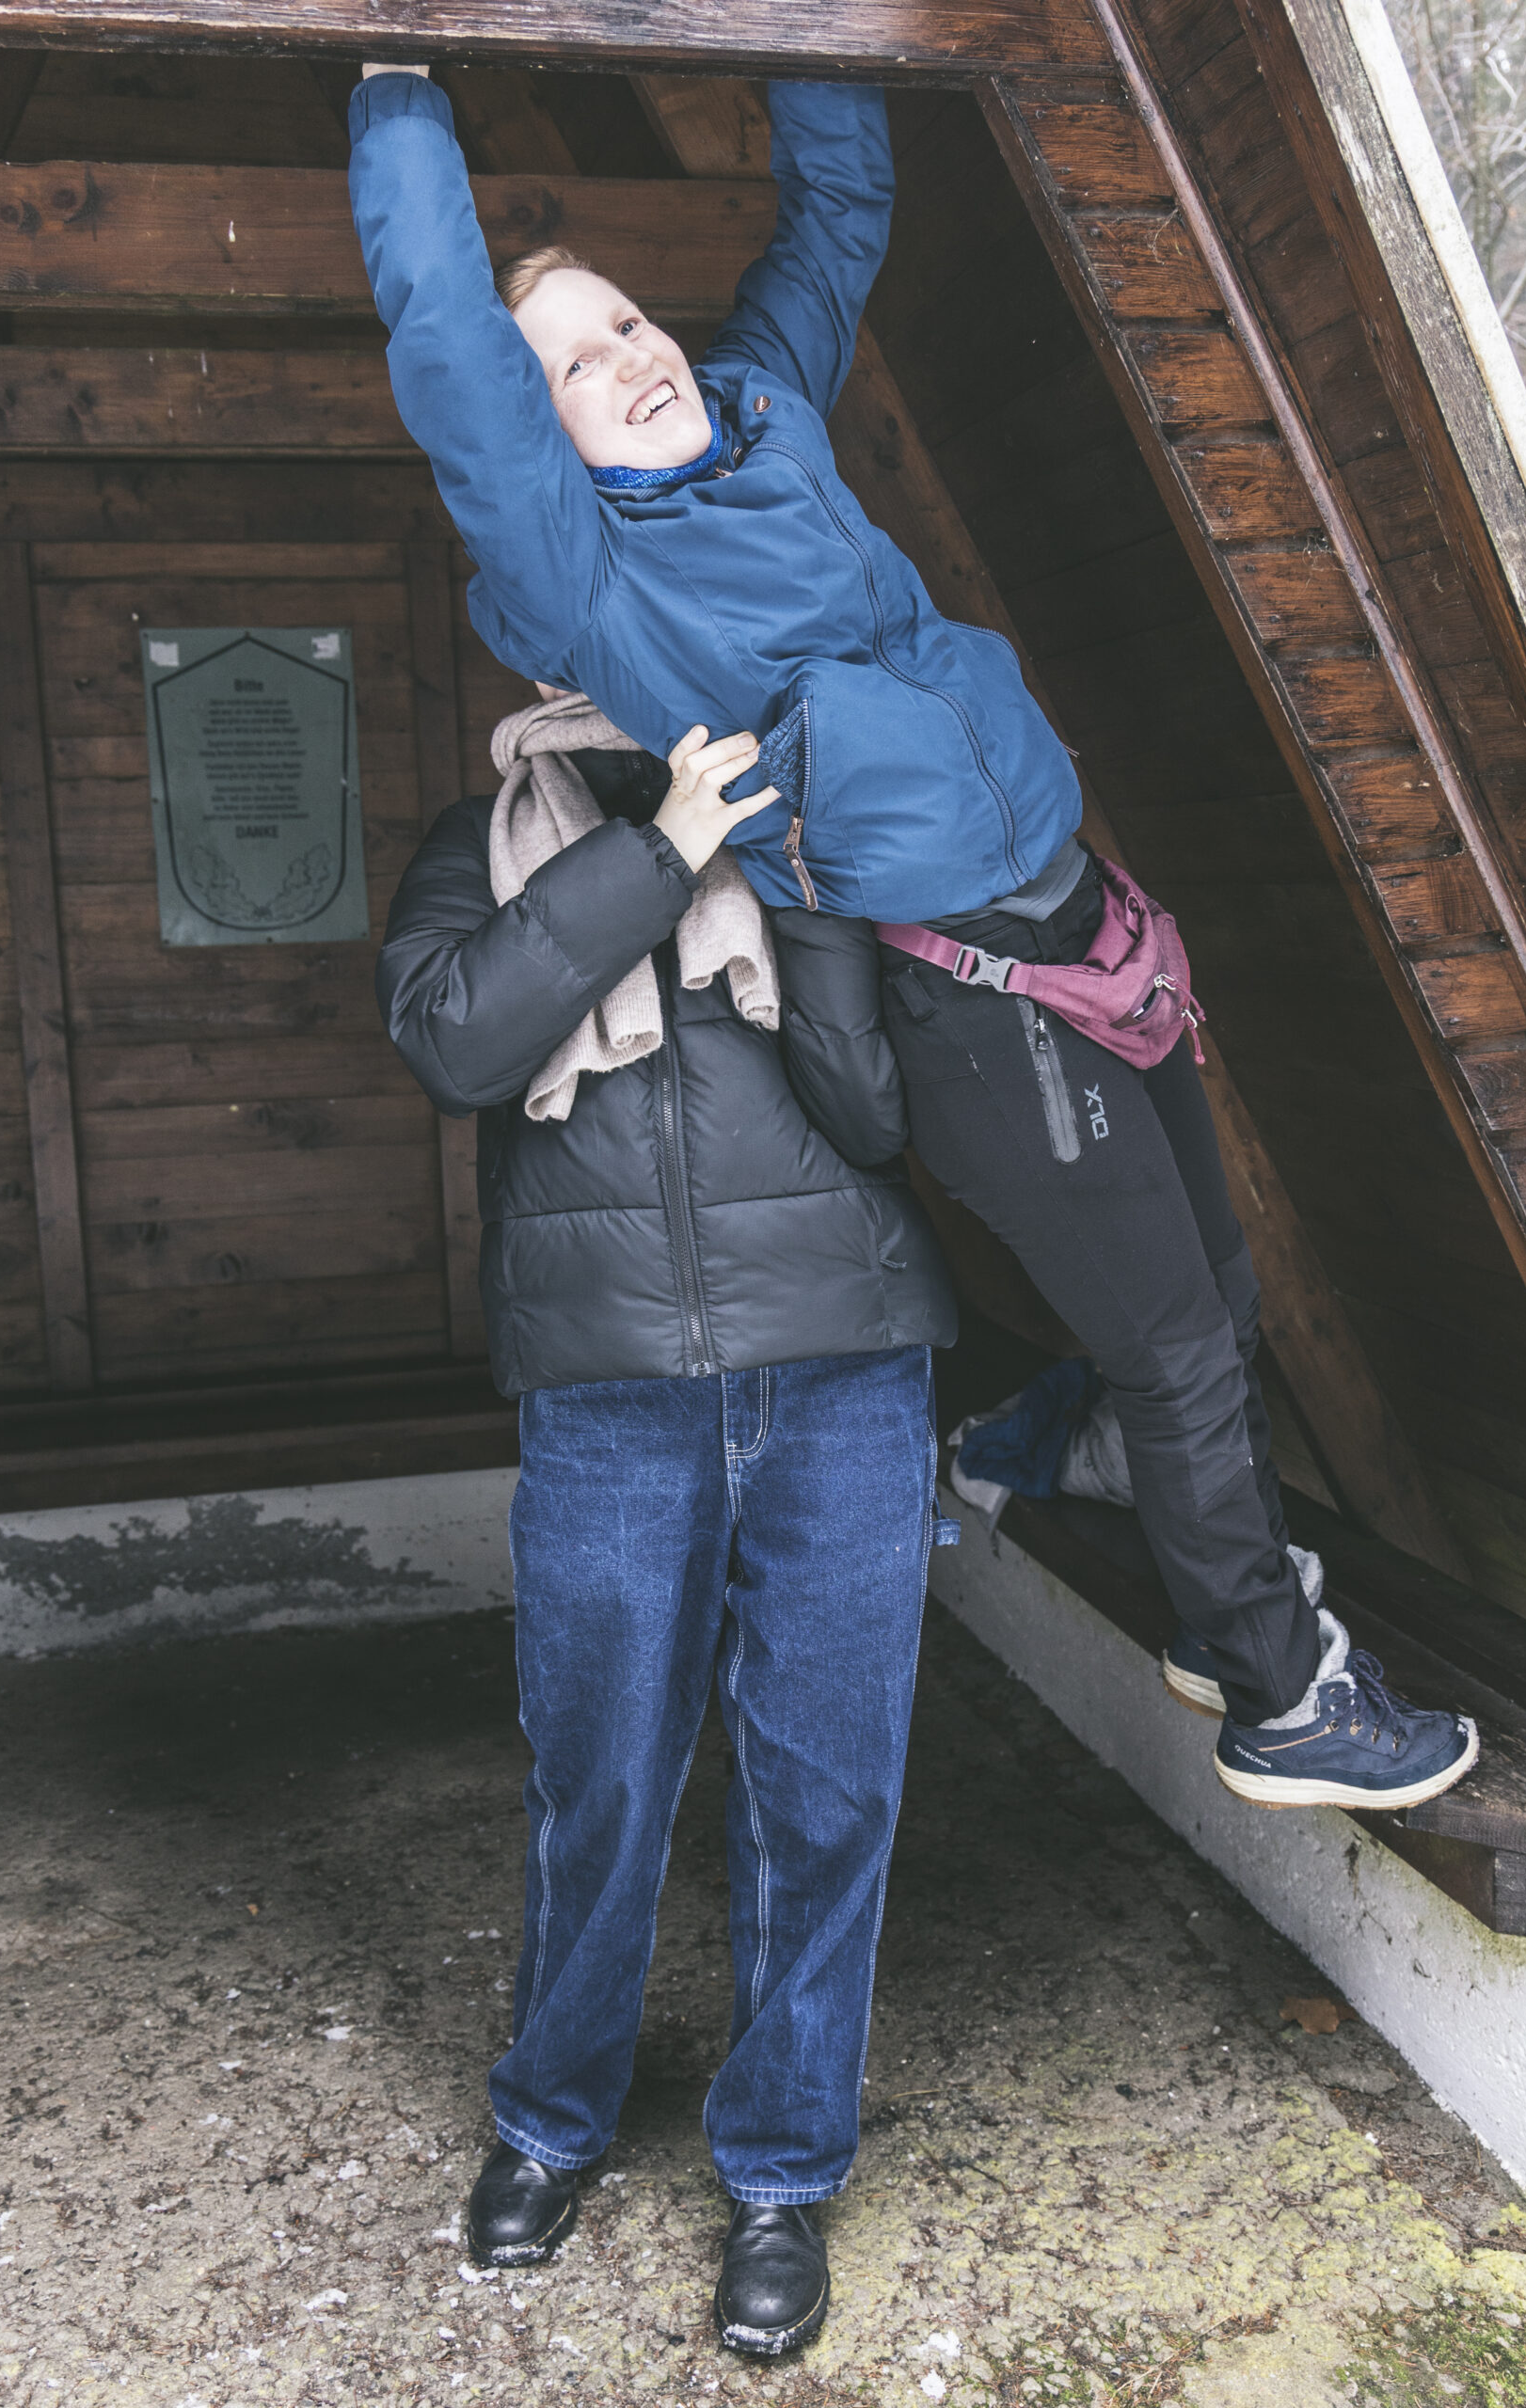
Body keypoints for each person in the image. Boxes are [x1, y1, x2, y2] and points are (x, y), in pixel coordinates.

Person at [349, 65, 1476, 1890]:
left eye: (623, 321)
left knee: (1219, 1293)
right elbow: (456, 377)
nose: (625, 358)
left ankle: (1066, 1451)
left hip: (1085, 913)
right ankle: (1277, 1689)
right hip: (969, 990)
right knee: (1179, 1349)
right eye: (568, 364)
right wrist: (401, 97)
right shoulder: (590, 584)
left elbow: (835, 224)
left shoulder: (763, 410)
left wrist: (822, 32)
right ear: (537, 436)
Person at [376, 684, 956, 2353]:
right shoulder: (481, 843)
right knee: (602, 1775)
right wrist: (658, 854)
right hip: (609, 1387)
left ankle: (782, 2171)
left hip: (844, 1366)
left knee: (825, 1788)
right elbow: (455, 1041)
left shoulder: (806, 832)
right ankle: (551, 2119)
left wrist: (791, 879)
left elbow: (876, 1114)